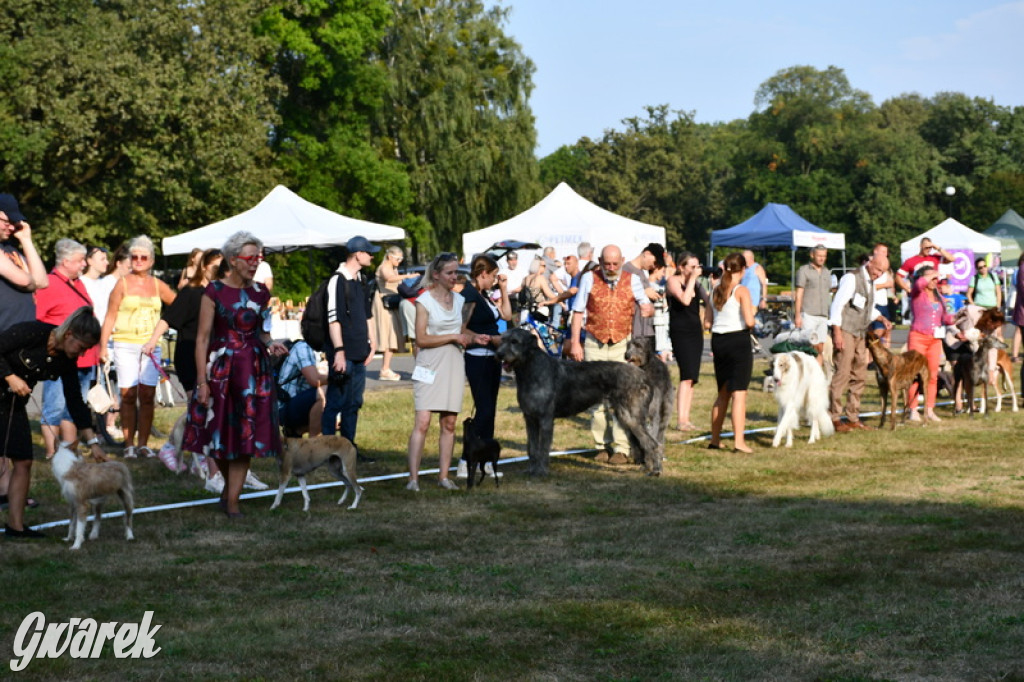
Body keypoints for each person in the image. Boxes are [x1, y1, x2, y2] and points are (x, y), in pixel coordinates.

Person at [184, 231, 288, 517]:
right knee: (220, 438)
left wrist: (271, 343)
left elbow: (263, 332)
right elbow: (202, 339)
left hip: (253, 371)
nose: (255, 263)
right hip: (220, 370)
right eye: (249, 258)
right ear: (233, 260)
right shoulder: (214, 291)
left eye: (258, 258)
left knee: (245, 437)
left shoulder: (261, 293)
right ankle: (230, 493)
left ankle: (231, 501)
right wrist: (202, 382)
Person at [1, 308, 107, 538]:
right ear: (69, 334)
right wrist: (10, 376)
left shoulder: (65, 361)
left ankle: (16, 527)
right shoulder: (33, 332)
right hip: (5, 388)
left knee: (24, 460)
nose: (82, 354)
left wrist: (93, 442)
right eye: (82, 347)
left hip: (13, 404)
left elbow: (75, 402)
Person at [406, 252, 488, 491]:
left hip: (453, 363)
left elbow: (461, 330)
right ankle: (413, 479)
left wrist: (475, 337)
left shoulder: (460, 301)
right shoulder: (424, 301)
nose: (455, 277)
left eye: (456, 272)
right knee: (422, 421)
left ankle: (444, 476)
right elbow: (421, 338)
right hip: (428, 364)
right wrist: (454, 336)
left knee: (449, 423)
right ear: (437, 275)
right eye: (450, 273)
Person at [568, 244, 652, 464]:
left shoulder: (632, 279)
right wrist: (576, 343)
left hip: (622, 345)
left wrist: (647, 308)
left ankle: (621, 448)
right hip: (594, 342)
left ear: (622, 260)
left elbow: (646, 303)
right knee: (596, 398)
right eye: (607, 263)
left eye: (615, 263)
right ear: (599, 260)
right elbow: (578, 312)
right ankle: (601, 446)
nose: (611, 267)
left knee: (622, 397)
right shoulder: (588, 278)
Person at [99, 236, 176, 458]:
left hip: (151, 346)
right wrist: (103, 346)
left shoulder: (157, 285)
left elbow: (178, 305)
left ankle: (143, 444)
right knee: (129, 394)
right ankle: (129, 444)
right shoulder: (121, 284)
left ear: (151, 261)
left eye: (144, 257)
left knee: (148, 395)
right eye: (135, 257)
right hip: (124, 345)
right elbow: (110, 316)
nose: (139, 261)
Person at [0, 193, 49, 514]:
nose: (11, 226)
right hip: (2, 343)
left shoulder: (13, 250)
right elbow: (24, 280)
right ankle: (4, 489)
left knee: (9, 420)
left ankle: (6, 491)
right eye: (6, 221)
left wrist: (27, 241)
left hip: (19, 347)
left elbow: (41, 281)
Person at [35, 239, 99, 459]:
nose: (84, 264)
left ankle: (70, 447)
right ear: (66, 261)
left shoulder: (78, 283)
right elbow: (39, 319)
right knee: (54, 407)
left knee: (74, 405)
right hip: (60, 356)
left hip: (84, 358)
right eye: (80, 260)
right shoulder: (49, 284)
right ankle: (52, 452)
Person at [322, 236, 378, 460]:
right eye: (369, 252)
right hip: (343, 353)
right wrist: (339, 351)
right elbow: (333, 318)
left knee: (354, 402)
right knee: (336, 401)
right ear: (358, 254)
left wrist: (373, 343)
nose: (372, 256)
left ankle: (348, 448)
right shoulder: (337, 280)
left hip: (359, 351)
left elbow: (367, 314)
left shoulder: (361, 279)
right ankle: (327, 448)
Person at [457, 254, 511, 479]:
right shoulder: (469, 295)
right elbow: (461, 327)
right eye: (494, 276)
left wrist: (504, 289)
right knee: (484, 409)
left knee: (489, 411)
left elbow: (506, 315)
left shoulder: (484, 295)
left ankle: (486, 461)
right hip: (477, 357)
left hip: (492, 357)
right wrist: (483, 337)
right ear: (483, 274)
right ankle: (465, 460)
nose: (495, 280)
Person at [828, 255, 892, 432]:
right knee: (842, 373)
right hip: (846, 330)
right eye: (877, 270)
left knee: (860, 375)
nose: (878, 275)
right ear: (870, 263)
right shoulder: (851, 278)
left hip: (860, 333)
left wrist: (881, 317)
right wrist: (837, 332)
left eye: (882, 272)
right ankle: (833, 417)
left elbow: (867, 308)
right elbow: (837, 305)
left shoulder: (871, 283)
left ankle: (853, 417)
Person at [708, 253, 756, 452]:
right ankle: (739, 442)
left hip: (718, 340)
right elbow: (750, 321)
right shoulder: (741, 290)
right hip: (738, 340)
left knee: (722, 393)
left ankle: (715, 438)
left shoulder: (715, 290)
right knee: (739, 393)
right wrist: (752, 312)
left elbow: (707, 322)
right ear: (743, 270)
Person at [667, 252, 710, 431]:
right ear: (681, 267)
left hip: (695, 331)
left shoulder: (696, 283)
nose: (695, 270)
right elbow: (685, 300)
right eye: (691, 266)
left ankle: (687, 418)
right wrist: (692, 279)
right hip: (681, 331)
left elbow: (709, 301)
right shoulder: (673, 281)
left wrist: (713, 285)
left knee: (692, 377)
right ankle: (681, 420)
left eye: (697, 266)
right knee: (686, 375)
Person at [906, 265, 947, 423]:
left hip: (935, 340)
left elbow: (946, 318)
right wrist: (933, 273)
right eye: (930, 276)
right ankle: (913, 409)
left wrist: (957, 318)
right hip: (918, 337)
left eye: (935, 277)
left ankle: (929, 409)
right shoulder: (917, 293)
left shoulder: (940, 297)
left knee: (932, 376)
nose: (934, 279)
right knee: (915, 374)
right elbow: (918, 284)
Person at [277, 338, 327, 438]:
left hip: (299, 400)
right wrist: (338, 377)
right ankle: (313, 444)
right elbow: (315, 380)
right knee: (325, 391)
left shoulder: (323, 349)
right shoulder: (303, 347)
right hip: (284, 406)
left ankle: (296, 431)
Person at [793, 245, 832, 364]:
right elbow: (798, 294)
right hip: (808, 314)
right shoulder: (804, 271)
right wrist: (798, 315)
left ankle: (817, 375)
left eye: (824, 256)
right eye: (819, 256)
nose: (822, 258)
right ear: (812, 255)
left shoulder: (827, 272)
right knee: (808, 347)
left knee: (820, 348)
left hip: (823, 315)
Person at [373, 245, 405, 381]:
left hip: (392, 304)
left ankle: (385, 368)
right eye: (398, 258)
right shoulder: (384, 267)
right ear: (390, 256)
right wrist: (409, 275)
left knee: (393, 336)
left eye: (401, 258)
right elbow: (389, 279)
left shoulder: (393, 268)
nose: (400, 261)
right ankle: (385, 369)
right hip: (384, 304)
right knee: (389, 335)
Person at [623, 243, 666, 340]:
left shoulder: (642, 272)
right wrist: (643, 292)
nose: (654, 266)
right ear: (646, 254)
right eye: (655, 262)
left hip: (646, 329)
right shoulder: (626, 270)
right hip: (633, 330)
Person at [521, 256, 560, 323]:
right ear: (538, 266)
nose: (545, 267)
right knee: (537, 332)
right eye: (544, 265)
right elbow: (550, 294)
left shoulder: (526, 278)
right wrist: (561, 300)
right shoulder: (540, 278)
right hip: (538, 311)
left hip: (525, 312)